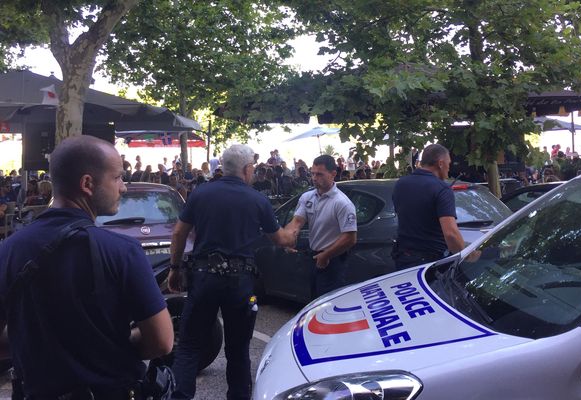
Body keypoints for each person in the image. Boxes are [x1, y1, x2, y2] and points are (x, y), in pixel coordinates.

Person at [0, 135, 173, 399]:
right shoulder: (122, 251)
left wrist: (43, 347)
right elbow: (162, 341)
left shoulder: (9, 250)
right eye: (117, 178)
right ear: (87, 184)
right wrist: (107, 345)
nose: (123, 187)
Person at [167, 144, 296, 400]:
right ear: (247, 169)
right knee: (238, 349)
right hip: (240, 283)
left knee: (190, 346)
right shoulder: (257, 200)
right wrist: (296, 225)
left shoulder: (200, 193)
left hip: (203, 277)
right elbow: (281, 239)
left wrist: (175, 268)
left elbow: (179, 232)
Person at [284, 154, 357, 297]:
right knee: (314, 300)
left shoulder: (342, 203)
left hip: (334, 259)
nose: (314, 178)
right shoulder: (307, 197)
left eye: (320, 174)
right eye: (313, 174)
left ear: (333, 174)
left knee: (329, 303)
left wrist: (326, 255)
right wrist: (288, 238)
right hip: (314, 256)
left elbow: (350, 238)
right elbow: (297, 222)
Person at [391, 143, 465, 270]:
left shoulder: (401, 184)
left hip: (403, 258)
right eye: (448, 163)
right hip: (430, 263)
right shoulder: (442, 189)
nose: (449, 167)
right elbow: (451, 234)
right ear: (440, 163)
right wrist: (467, 255)